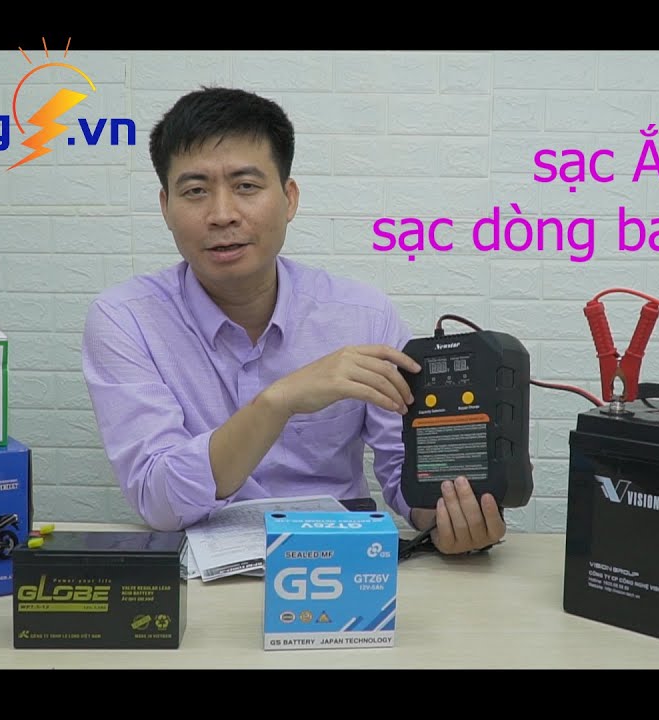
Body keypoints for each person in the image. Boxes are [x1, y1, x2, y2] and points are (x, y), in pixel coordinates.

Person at [81, 87, 505, 554]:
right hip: (197, 573)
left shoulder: (363, 315)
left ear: (289, 199)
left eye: (246, 186)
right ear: (166, 207)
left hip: (342, 565)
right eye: (195, 191)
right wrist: (278, 402)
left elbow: (405, 469)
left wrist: (446, 518)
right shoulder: (125, 320)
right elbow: (158, 499)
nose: (222, 215)